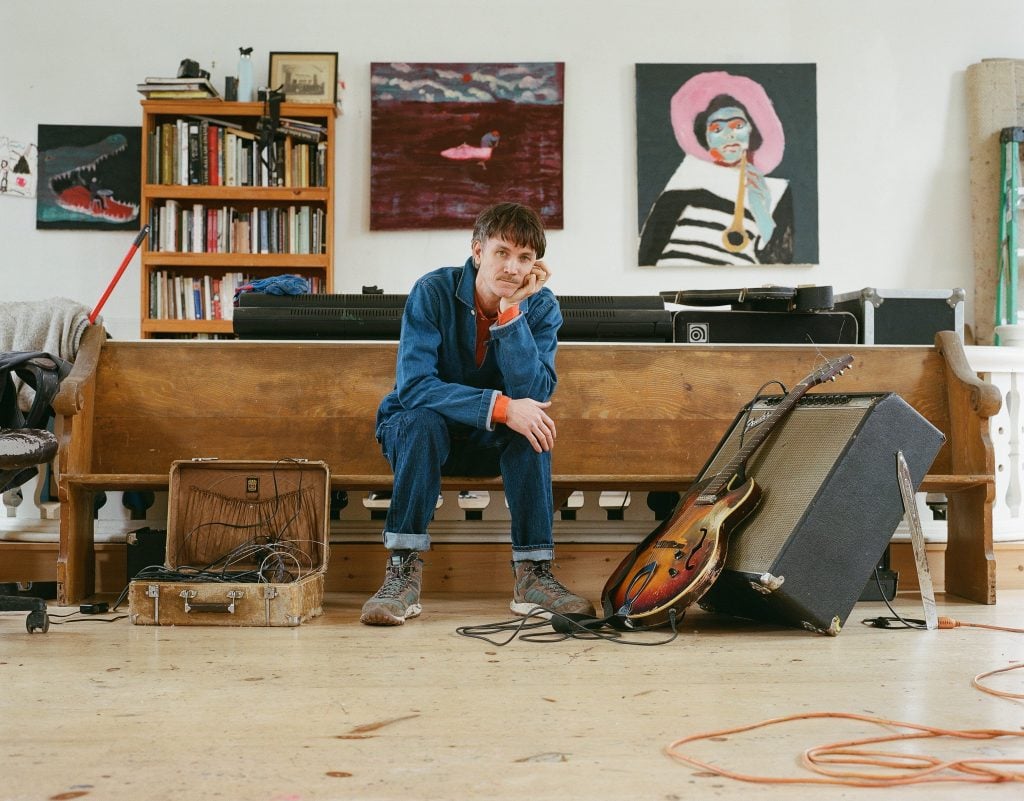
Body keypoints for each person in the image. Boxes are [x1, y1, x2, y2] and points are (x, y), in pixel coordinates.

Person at [361, 202, 595, 626]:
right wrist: (501, 406)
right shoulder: (432, 291)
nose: (512, 267)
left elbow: (536, 393)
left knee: (533, 427)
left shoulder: (541, 307)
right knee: (421, 421)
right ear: (477, 251)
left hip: (488, 441)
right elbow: (414, 387)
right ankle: (402, 570)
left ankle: (532, 574)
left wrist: (511, 314)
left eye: (525, 258)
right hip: (421, 436)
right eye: (502, 252)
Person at [639, 70, 794, 266]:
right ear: (705, 138)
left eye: (737, 125)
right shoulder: (686, 180)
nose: (729, 135)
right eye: (717, 129)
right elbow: (648, 250)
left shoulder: (774, 191)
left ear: (751, 130)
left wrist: (761, 211)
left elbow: (779, 262)